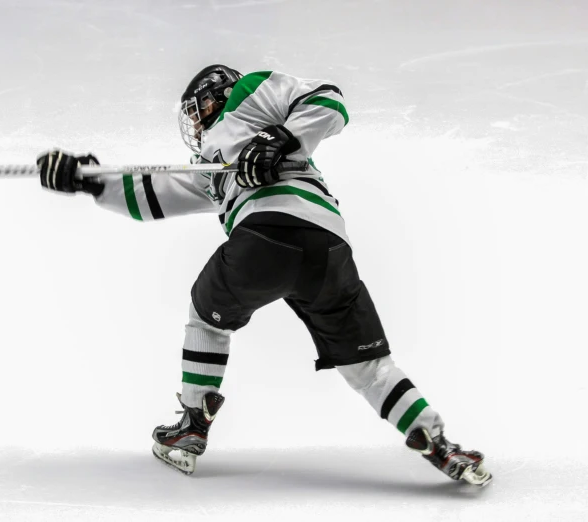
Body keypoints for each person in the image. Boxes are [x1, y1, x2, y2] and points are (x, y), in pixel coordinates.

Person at [37, 65, 491, 486]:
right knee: (368, 367)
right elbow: (151, 196)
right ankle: (438, 443)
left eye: (195, 112)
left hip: (266, 237)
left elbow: (329, 102)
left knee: (206, 314)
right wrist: (88, 179)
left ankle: (193, 425)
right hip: (328, 250)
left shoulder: (249, 94)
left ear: (214, 96)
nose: (194, 125)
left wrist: (280, 138)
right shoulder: (211, 168)